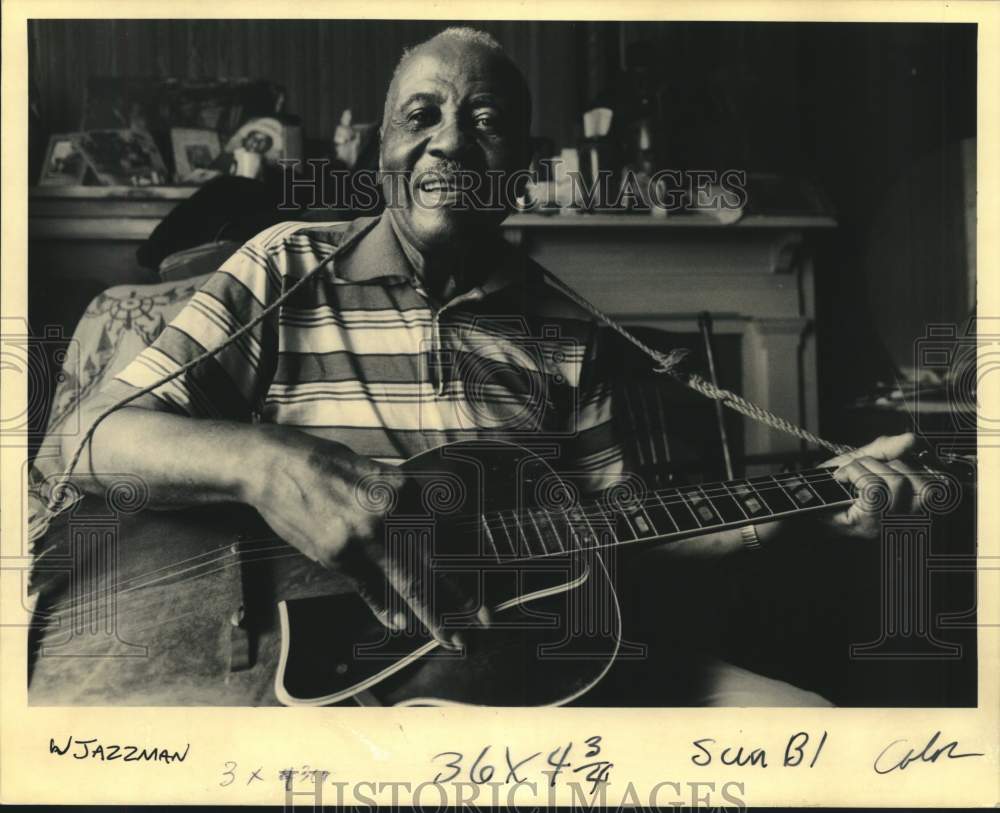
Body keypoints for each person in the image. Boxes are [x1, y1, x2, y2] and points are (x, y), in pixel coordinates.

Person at [64, 27, 931, 706]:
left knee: (805, 722)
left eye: (486, 122)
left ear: (520, 168)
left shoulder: (566, 329)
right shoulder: (283, 265)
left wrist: (791, 509)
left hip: (505, 671)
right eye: (421, 116)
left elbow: (613, 528)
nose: (449, 144)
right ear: (379, 153)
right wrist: (264, 462)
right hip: (297, 671)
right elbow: (81, 441)